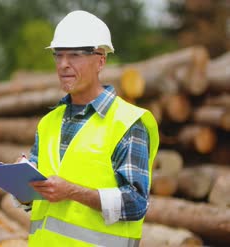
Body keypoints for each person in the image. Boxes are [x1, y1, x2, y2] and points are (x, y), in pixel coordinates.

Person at [14, 10, 159, 246]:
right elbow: (36, 199)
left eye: (75, 55)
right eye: (58, 55)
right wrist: (21, 185)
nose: (63, 65)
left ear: (100, 60)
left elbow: (136, 203)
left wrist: (72, 192)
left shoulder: (128, 123)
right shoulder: (49, 122)